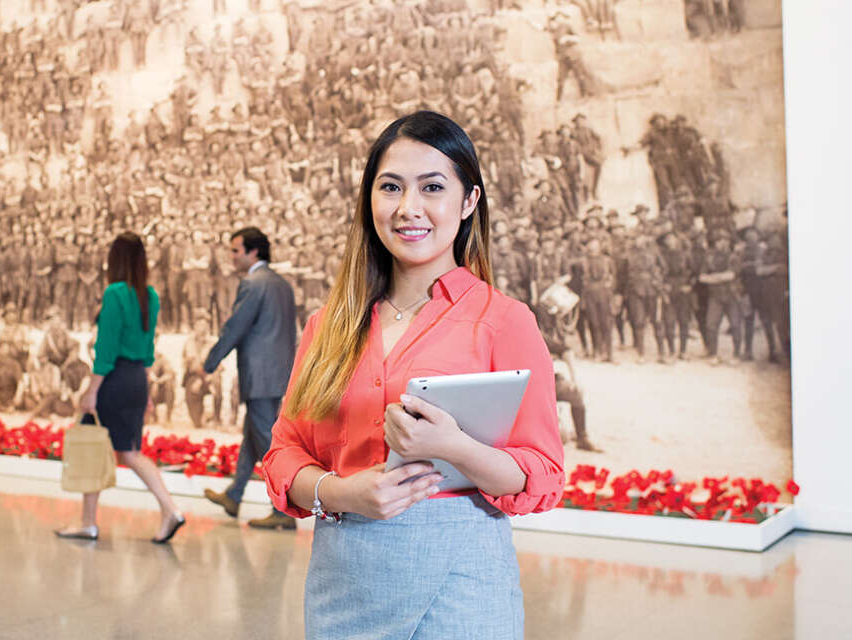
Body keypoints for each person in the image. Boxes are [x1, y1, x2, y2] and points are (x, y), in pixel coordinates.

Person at [262, 111, 563, 639]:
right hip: (344, 583)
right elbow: (285, 454)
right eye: (391, 187)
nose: (409, 209)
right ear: (369, 200)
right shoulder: (326, 326)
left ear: (468, 201)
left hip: (464, 589)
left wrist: (455, 447)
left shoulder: (504, 321)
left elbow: (542, 474)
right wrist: (342, 494)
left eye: (432, 187)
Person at [55, 232, 185, 544]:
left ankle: (90, 522)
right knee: (129, 452)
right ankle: (169, 509)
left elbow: (107, 348)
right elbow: (148, 350)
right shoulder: (149, 295)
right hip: (137, 380)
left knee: (94, 444)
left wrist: (91, 390)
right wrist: (149, 392)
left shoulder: (114, 293)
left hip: (113, 379)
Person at [201, 227, 299, 530]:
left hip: (259, 374)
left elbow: (235, 327)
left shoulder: (253, 284)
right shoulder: (281, 284)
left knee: (267, 442)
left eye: (235, 250)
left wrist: (209, 362)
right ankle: (234, 494)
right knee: (251, 436)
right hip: (276, 372)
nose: (231, 257)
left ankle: (282, 509)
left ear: (253, 251)